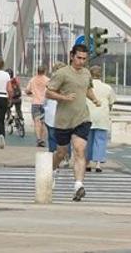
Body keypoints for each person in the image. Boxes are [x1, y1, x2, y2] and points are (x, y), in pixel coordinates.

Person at [46, 44, 102, 201]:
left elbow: (87, 89)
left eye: (84, 59)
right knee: (61, 153)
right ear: (72, 56)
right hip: (63, 120)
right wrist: (63, 98)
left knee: (79, 150)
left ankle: (78, 185)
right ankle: (52, 171)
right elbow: (48, 92)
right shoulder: (62, 73)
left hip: (82, 118)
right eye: (79, 58)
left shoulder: (86, 73)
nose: (81, 61)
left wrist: (95, 99)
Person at [86, 65, 116, 173]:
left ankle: (88, 162)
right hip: (102, 117)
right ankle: (98, 164)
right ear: (101, 75)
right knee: (100, 140)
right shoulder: (107, 88)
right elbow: (111, 102)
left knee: (88, 141)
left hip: (88, 116)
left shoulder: (86, 86)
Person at [26, 65, 50, 147]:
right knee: (44, 123)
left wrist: (31, 93)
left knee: (37, 122)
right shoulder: (47, 80)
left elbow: (27, 90)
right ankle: (43, 140)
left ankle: (39, 139)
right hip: (45, 103)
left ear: (37, 71)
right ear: (45, 71)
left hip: (35, 102)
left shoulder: (32, 80)